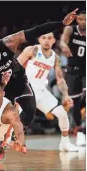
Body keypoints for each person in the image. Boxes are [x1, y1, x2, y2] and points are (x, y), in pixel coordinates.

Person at [0, 9, 78, 159]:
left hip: (20, 82)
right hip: (2, 89)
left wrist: (61, 23)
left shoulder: (9, 42)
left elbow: (36, 30)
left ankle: (14, 136)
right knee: (1, 120)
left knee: (29, 111)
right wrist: (1, 85)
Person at [17, 32, 78, 151]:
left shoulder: (56, 58)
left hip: (41, 91)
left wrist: (66, 95)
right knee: (14, 117)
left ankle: (65, 144)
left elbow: (60, 79)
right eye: (43, 37)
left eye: (49, 38)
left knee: (62, 114)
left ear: (54, 40)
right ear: (39, 39)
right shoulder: (32, 50)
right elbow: (15, 66)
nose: (46, 40)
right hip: (25, 89)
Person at [60, 10, 86, 146]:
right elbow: (63, 41)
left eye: (85, 19)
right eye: (81, 19)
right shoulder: (70, 29)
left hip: (85, 71)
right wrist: (64, 46)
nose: (83, 22)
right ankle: (80, 132)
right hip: (72, 70)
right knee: (75, 103)